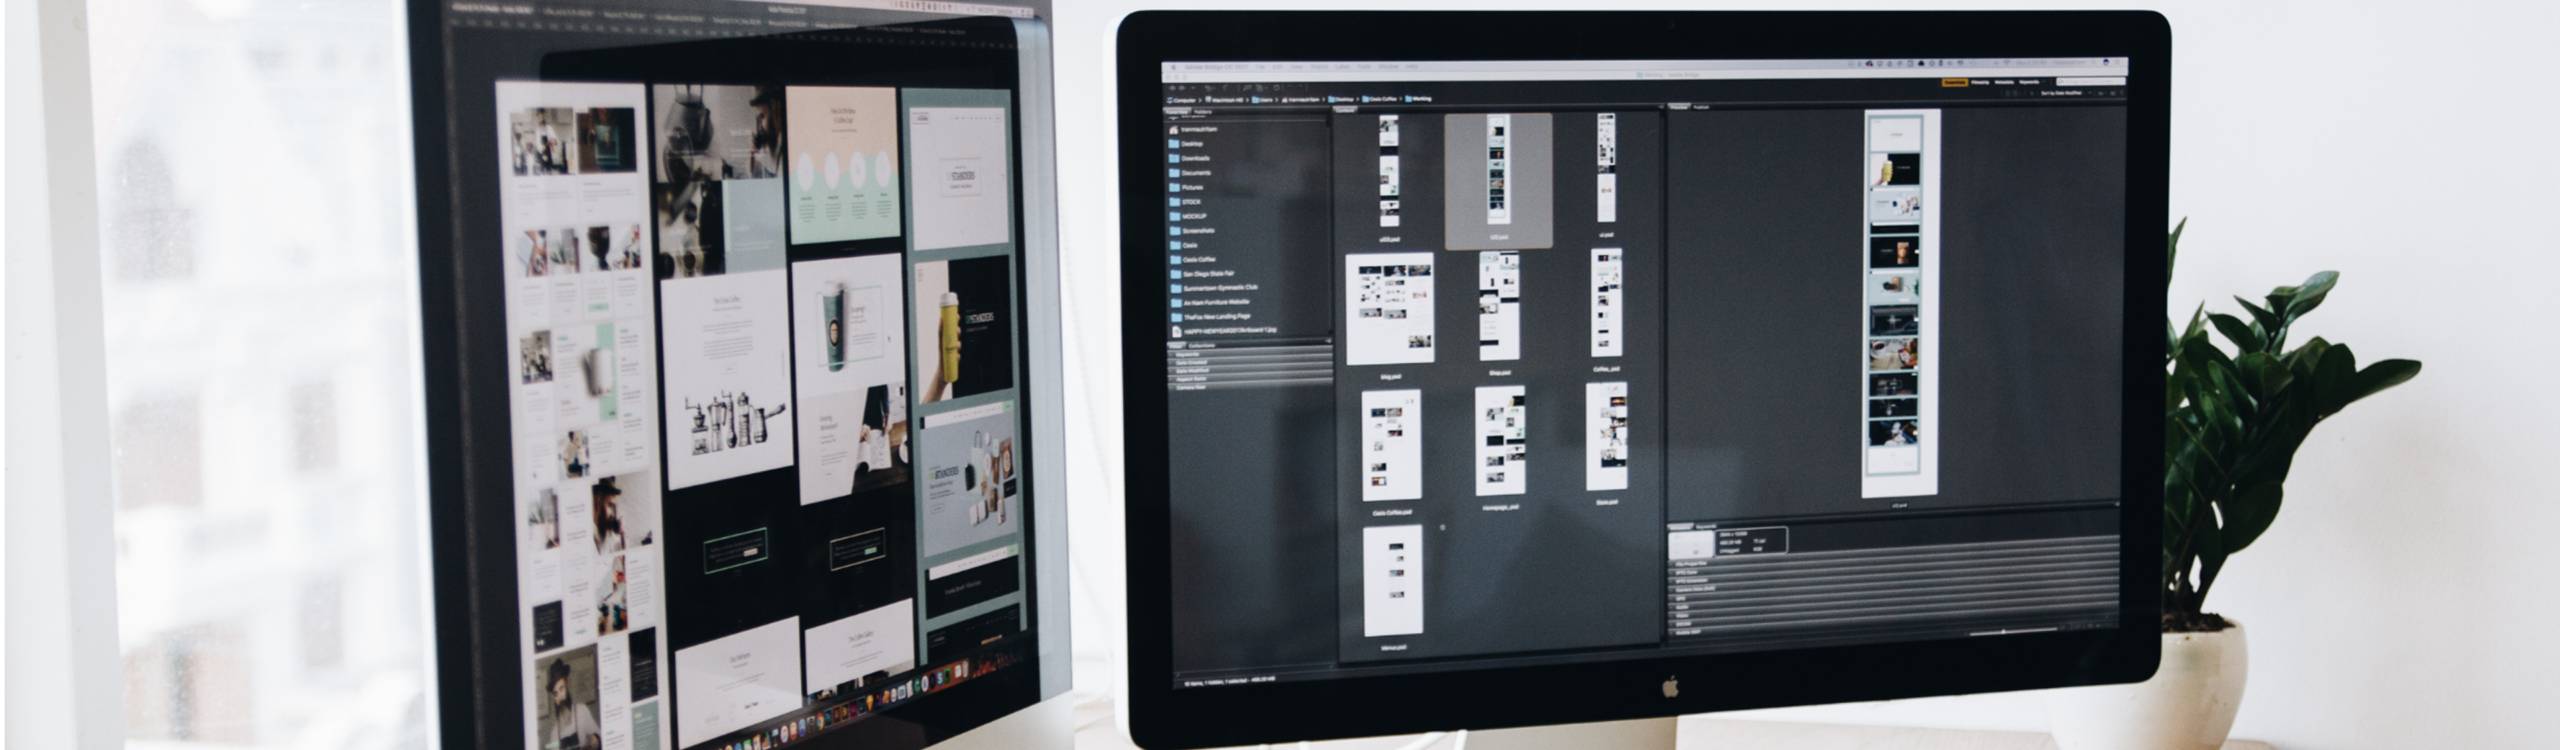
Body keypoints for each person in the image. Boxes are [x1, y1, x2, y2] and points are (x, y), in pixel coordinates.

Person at [543, 659, 602, 750]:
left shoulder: (582, 711)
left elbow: (600, 736)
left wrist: (596, 739)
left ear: (567, 685)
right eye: (556, 693)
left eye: (561, 689)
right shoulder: (554, 733)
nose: (560, 697)